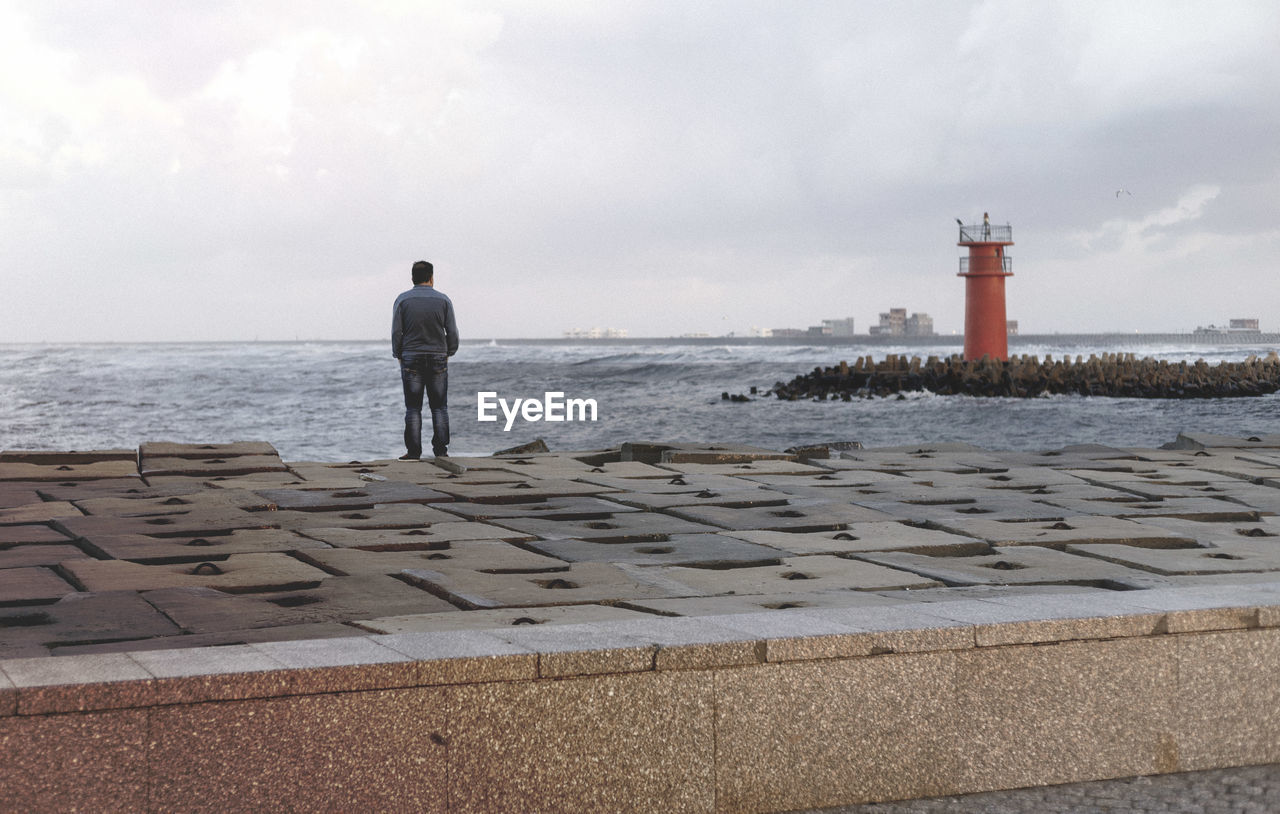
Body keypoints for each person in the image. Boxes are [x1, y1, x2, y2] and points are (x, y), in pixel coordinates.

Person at [392, 260, 458, 459]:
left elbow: (397, 332)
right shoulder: (443, 300)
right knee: (439, 407)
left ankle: (413, 452)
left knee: (413, 407)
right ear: (431, 277)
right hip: (438, 356)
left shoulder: (403, 300)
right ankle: (440, 451)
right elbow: (452, 332)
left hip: (411, 356)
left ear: (413, 278)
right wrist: (449, 352)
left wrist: (398, 354)